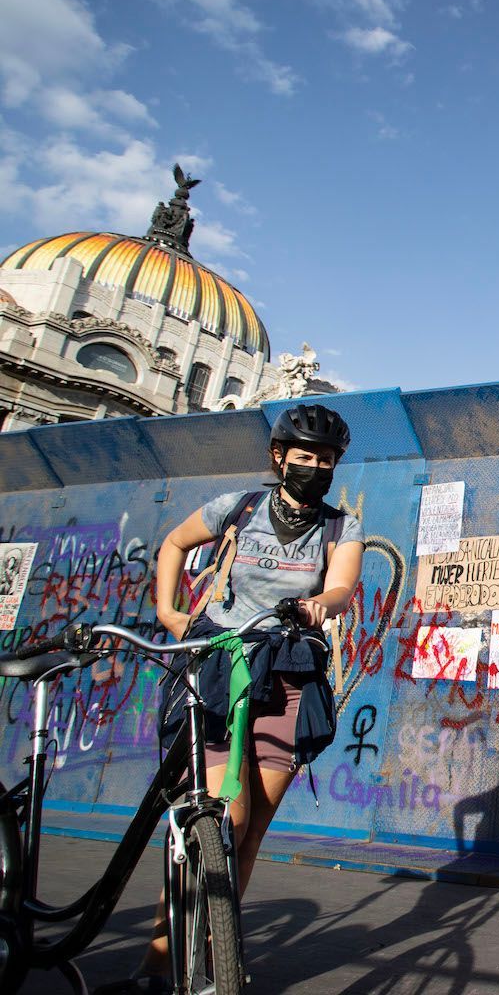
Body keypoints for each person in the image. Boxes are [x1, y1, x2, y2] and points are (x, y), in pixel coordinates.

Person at [101, 404, 361, 994]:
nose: (313, 468)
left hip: (289, 670)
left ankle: (218, 951)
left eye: (324, 460)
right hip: (221, 665)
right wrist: (169, 613)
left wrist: (324, 603)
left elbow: (343, 583)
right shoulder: (238, 507)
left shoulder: (339, 527)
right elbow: (173, 543)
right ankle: (160, 955)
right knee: (226, 818)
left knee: (252, 831)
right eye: (302, 457)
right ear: (278, 457)